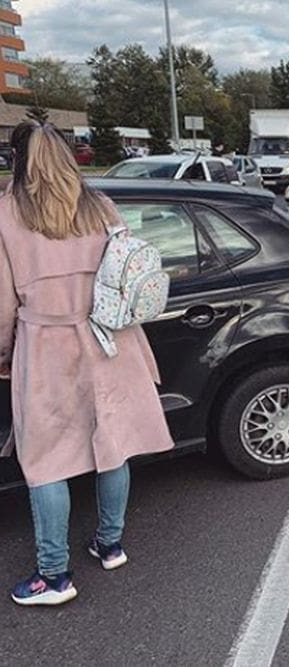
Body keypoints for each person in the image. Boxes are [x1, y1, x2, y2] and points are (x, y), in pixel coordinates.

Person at [0, 121, 173, 606]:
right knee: (112, 443)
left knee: (45, 461)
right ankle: (109, 543)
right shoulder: (100, 206)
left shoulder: (7, 214)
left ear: (18, 160)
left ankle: (54, 576)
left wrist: (4, 354)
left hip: (47, 345)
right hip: (110, 339)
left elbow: (2, 306)